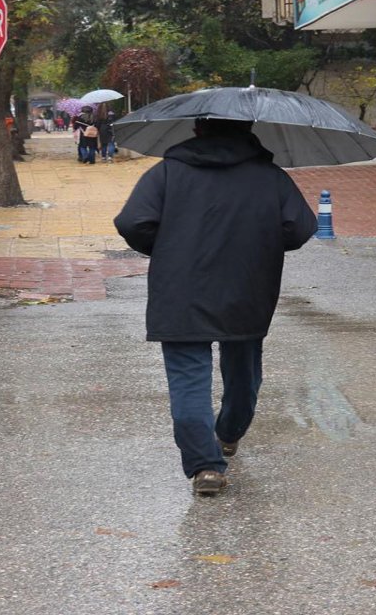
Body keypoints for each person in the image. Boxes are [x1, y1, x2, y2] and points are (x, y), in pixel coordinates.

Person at [112, 118, 317, 496]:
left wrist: (169, 246)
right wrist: (261, 242)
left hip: (179, 290)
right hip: (247, 285)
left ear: (197, 130)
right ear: (249, 129)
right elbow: (300, 227)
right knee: (243, 371)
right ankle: (229, 433)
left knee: (188, 377)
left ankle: (205, 466)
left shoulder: (167, 173)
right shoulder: (270, 177)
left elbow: (133, 222)